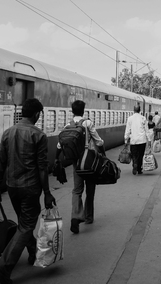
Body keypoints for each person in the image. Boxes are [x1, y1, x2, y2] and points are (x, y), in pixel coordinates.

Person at [0, 98, 56, 284]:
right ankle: (4, 268)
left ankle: (32, 252)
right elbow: (42, 167)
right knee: (26, 227)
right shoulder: (39, 135)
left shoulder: (7, 133)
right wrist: (47, 193)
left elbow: (0, 163)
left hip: (12, 187)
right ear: (36, 114)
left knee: (23, 223)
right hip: (30, 188)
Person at [55, 100, 104, 234]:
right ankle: (88, 217)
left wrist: (56, 158)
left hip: (76, 162)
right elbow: (98, 141)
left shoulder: (68, 126)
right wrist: (103, 156)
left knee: (77, 190)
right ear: (83, 111)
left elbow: (59, 145)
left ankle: (75, 216)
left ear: (72, 111)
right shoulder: (88, 123)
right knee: (90, 189)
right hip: (89, 161)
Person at [125, 105, 152, 174]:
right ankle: (139, 169)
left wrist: (126, 139)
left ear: (133, 110)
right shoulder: (143, 118)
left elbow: (127, 130)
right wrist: (149, 140)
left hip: (133, 140)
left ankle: (135, 164)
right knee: (140, 155)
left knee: (134, 154)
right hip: (142, 140)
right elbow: (147, 130)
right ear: (140, 110)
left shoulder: (130, 118)